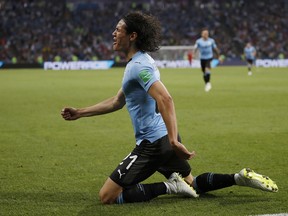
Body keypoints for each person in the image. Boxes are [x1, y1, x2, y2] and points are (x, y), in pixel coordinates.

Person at [61, 12, 278, 205]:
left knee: (107, 196)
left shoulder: (139, 65)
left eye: (118, 29)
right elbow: (118, 101)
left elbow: (166, 99)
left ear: (133, 35)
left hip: (153, 144)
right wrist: (80, 112)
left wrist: (174, 141)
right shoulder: (139, 62)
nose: (113, 33)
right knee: (192, 184)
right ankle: (238, 177)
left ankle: (169, 187)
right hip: (163, 138)